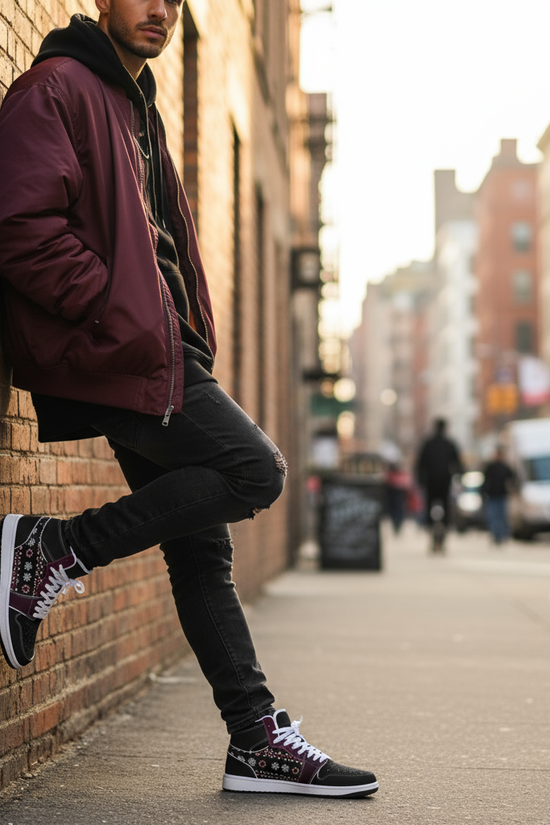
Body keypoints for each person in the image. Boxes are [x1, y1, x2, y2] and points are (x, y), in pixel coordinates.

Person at [0, 0, 378, 799]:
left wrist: (171, 330)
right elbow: (21, 227)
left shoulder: (134, 107)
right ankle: (52, 546)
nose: (162, 10)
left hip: (155, 355)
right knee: (256, 470)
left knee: (202, 553)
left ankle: (255, 740)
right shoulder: (57, 88)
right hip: (122, 351)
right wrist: (113, 308)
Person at [415, 418, 462, 550]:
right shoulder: (449, 444)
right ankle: (443, 536)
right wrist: (458, 477)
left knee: (429, 510)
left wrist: (420, 480)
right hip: (444, 482)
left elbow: (420, 464)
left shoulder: (428, 444)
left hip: (430, 482)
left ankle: (432, 536)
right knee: (446, 509)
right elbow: (458, 464)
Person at [481, 447, 515, 544]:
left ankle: (501, 535)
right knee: (493, 517)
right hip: (492, 495)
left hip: (501, 495)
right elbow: (485, 480)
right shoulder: (490, 467)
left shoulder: (504, 467)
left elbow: (512, 479)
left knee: (501, 517)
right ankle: (495, 535)